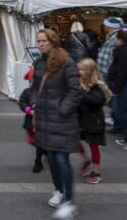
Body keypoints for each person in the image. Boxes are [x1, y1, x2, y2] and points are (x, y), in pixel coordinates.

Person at [33, 29, 82, 220]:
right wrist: (31, 101)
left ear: (53, 41)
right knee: (52, 159)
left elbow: (75, 91)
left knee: (62, 160)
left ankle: (69, 202)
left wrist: (63, 108)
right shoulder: (39, 62)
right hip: (45, 118)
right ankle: (58, 190)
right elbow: (35, 88)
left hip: (62, 119)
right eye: (39, 41)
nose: (41, 44)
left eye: (44, 41)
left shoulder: (66, 62)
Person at [77, 58, 111, 184]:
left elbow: (97, 100)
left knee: (93, 146)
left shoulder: (97, 85)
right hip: (82, 119)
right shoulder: (81, 82)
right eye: (79, 69)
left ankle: (96, 172)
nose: (79, 72)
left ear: (90, 71)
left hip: (94, 122)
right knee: (74, 139)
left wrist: (82, 93)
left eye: (82, 70)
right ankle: (86, 160)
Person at [19, 67, 47, 174]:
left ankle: (38, 161)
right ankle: (45, 152)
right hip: (30, 122)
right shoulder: (27, 92)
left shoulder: (45, 92)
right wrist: (28, 110)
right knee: (33, 141)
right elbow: (22, 102)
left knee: (38, 141)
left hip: (41, 121)